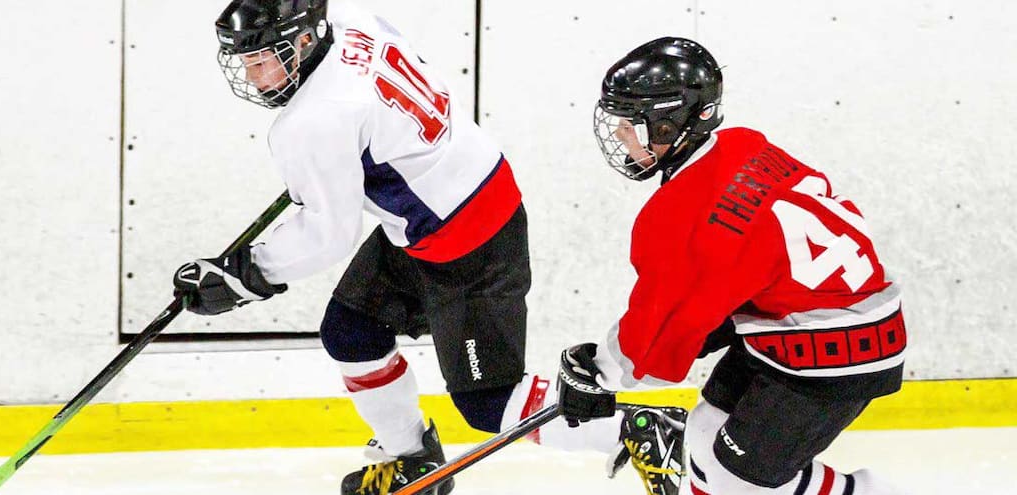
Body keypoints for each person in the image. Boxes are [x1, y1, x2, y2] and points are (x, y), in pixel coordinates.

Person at [171, 2, 684, 495]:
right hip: (445, 208)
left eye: (263, 60)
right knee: (352, 332)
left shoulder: (313, 121)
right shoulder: (350, 23)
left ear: (305, 40)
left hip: (468, 247)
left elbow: (328, 233)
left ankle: (634, 428)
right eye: (246, 62)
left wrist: (243, 277)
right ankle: (410, 456)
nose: (255, 76)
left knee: (487, 403)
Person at [557, 37, 909, 495]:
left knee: (736, 480)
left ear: (669, 123)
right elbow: (761, 245)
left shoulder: (681, 216)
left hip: (832, 353)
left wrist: (598, 372)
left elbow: (657, 336)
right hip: (800, 325)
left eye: (632, 124)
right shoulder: (743, 146)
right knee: (704, 438)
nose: (623, 136)